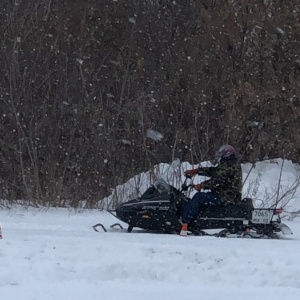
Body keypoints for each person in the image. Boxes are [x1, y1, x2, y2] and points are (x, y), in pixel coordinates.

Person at [180, 144, 242, 236]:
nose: (220, 155)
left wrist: (201, 186)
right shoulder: (230, 164)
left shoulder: (229, 166)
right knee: (203, 198)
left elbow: (217, 180)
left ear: (227, 154)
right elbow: (214, 171)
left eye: (222, 153)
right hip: (226, 195)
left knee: (199, 197)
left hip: (226, 197)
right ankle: (195, 222)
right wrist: (197, 171)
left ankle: (184, 223)